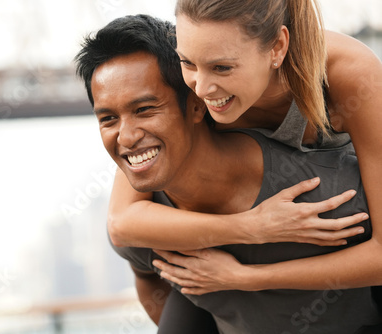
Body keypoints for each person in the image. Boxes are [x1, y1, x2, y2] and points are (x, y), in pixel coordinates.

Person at [74, 14, 382, 333]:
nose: (203, 87)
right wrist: (254, 227)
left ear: (277, 48)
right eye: (189, 64)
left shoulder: (344, 71)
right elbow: (123, 225)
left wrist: (245, 278)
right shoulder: (191, 95)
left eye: (221, 66)